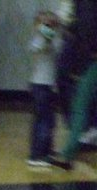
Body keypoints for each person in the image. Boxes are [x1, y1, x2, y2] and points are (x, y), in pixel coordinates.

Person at [51, 0, 97, 170]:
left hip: (91, 57)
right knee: (80, 103)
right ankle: (68, 152)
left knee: (80, 104)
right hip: (89, 56)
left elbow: (87, 25)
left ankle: (68, 154)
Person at [27, 10, 63, 168]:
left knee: (49, 121)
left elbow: (58, 49)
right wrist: (44, 33)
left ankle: (47, 150)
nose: (49, 26)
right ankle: (36, 155)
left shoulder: (56, 39)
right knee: (42, 120)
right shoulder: (38, 39)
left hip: (50, 85)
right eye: (45, 23)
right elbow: (38, 48)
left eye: (52, 23)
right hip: (40, 84)